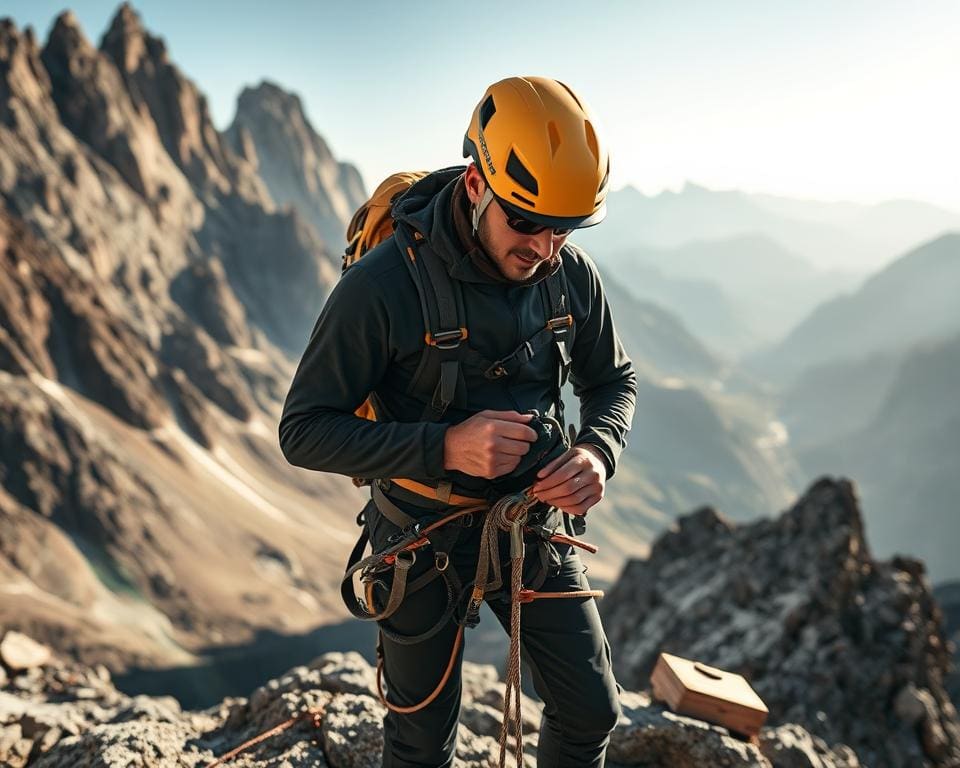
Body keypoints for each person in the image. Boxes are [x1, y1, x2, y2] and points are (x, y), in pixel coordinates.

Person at [279, 75, 637, 768]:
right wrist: (447, 446)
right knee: (420, 745)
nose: (544, 247)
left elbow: (612, 380)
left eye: (563, 228)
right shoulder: (382, 287)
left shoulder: (570, 277)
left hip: (529, 523)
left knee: (592, 707)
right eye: (525, 221)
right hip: (419, 536)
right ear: (476, 184)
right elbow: (304, 429)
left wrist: (597, 451)